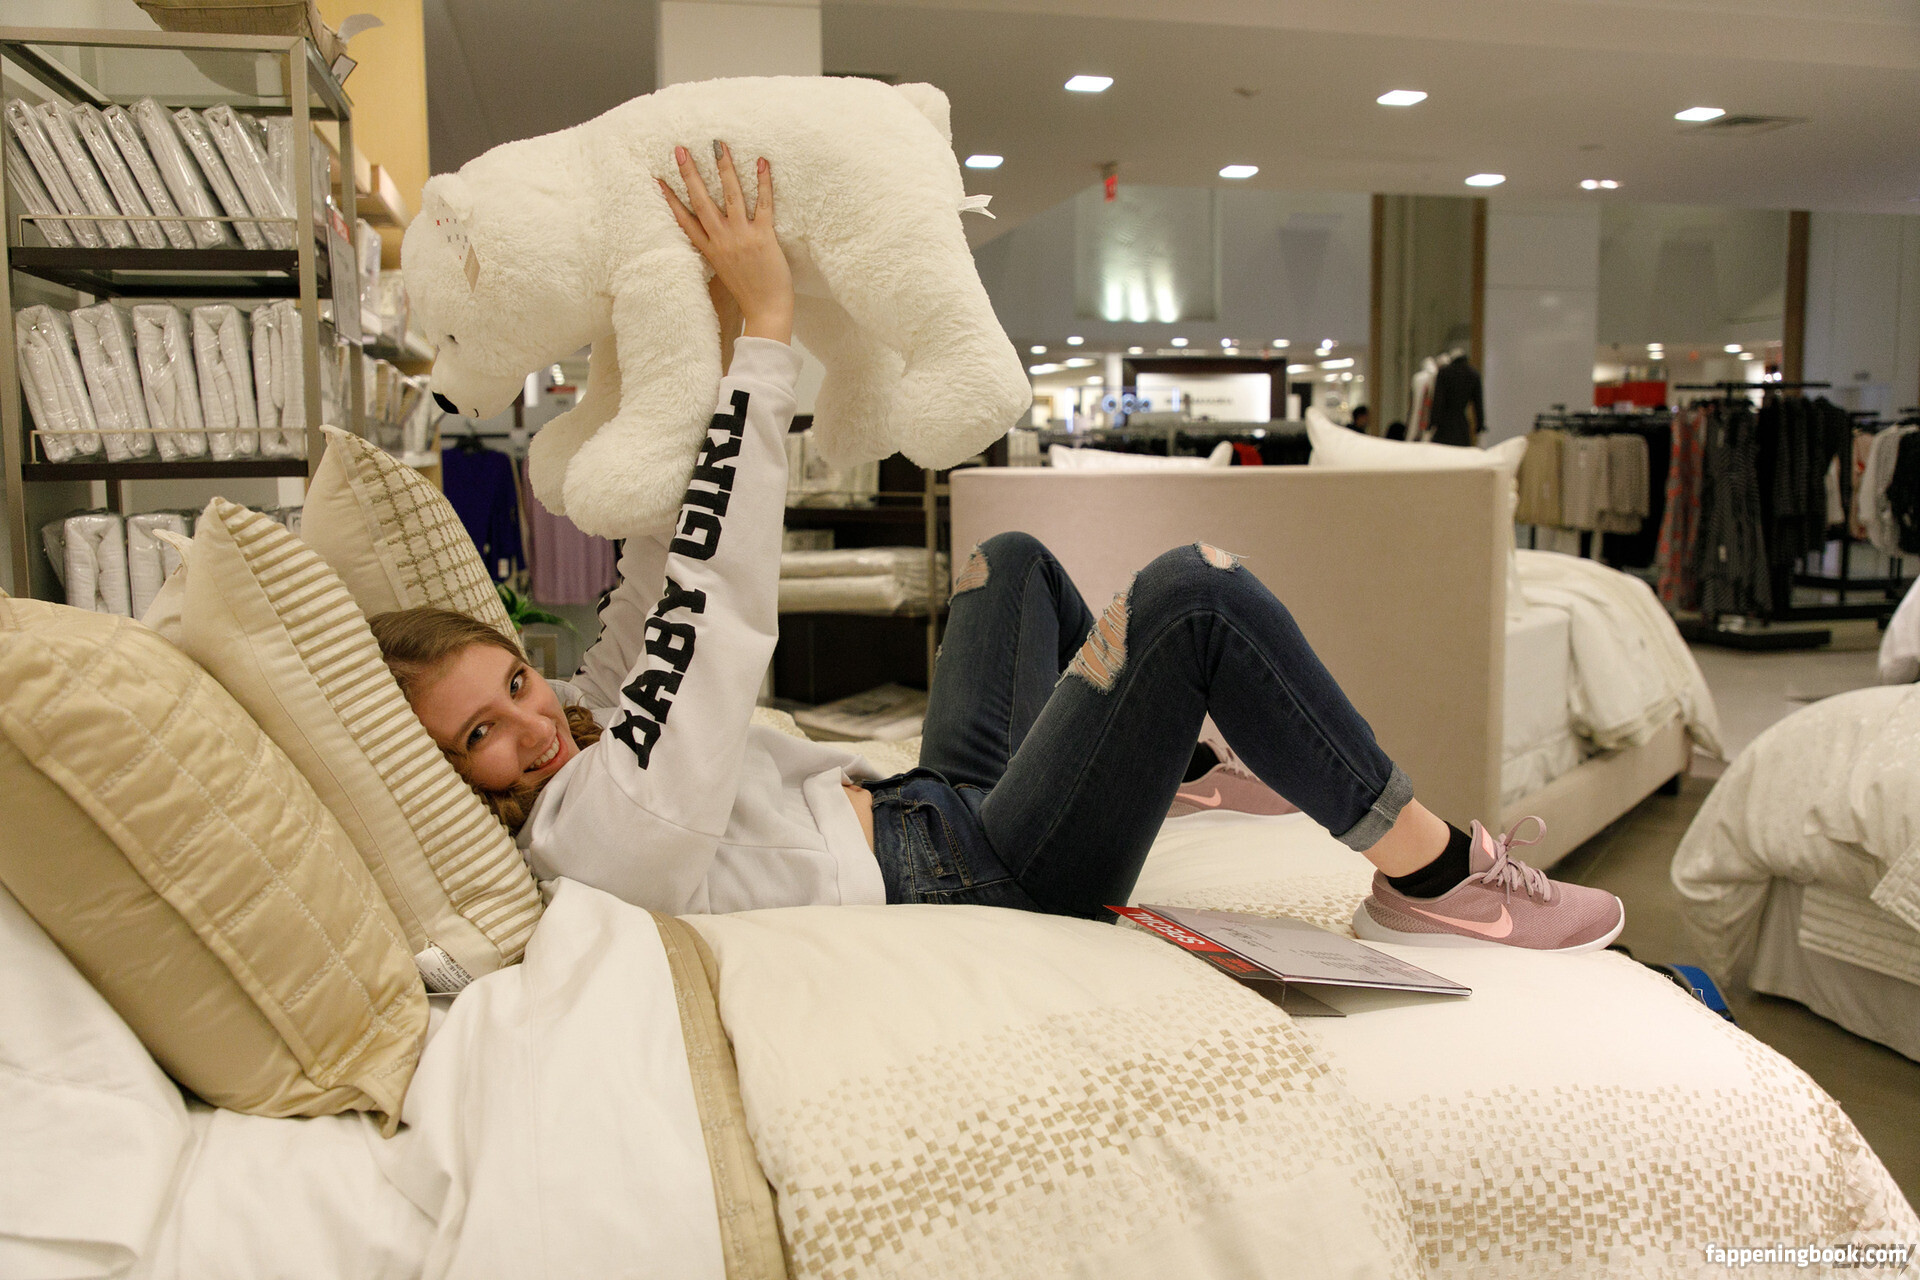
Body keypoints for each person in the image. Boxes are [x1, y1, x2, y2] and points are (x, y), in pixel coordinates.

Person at [373, 144, 1623, 954]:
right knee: (1193, 596)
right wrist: (765, 334)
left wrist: (678, 341)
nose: (528, 723)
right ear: (442, 774)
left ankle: (1175, 760)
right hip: (978, 875)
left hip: (931, 806)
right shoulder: (591, 830)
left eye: (514, 682)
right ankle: (1435, 875)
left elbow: (656, 575)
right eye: (479, 733)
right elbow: (713, 610)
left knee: (1008, 561)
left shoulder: (582, 734)